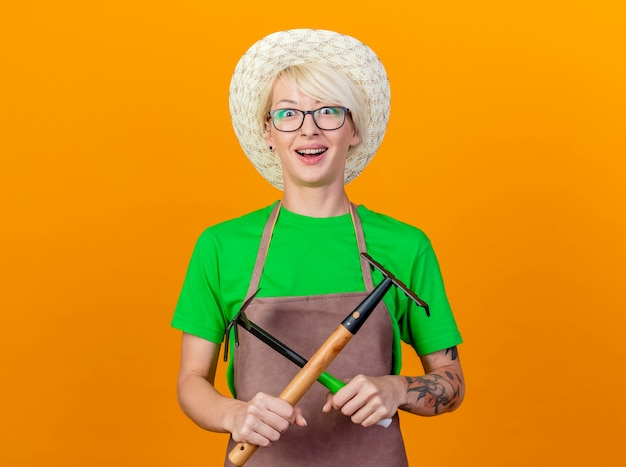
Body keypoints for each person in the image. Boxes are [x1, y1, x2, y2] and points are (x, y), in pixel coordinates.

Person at [172, 29, 465, 466]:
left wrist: (397, 389)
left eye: (329, 111)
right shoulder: (221, 246)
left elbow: (452, 383)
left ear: (354, 131)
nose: (308, 129)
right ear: (269, 132)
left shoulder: (405, 246)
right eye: (288, 113)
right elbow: (192, 382)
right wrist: (235, 413)